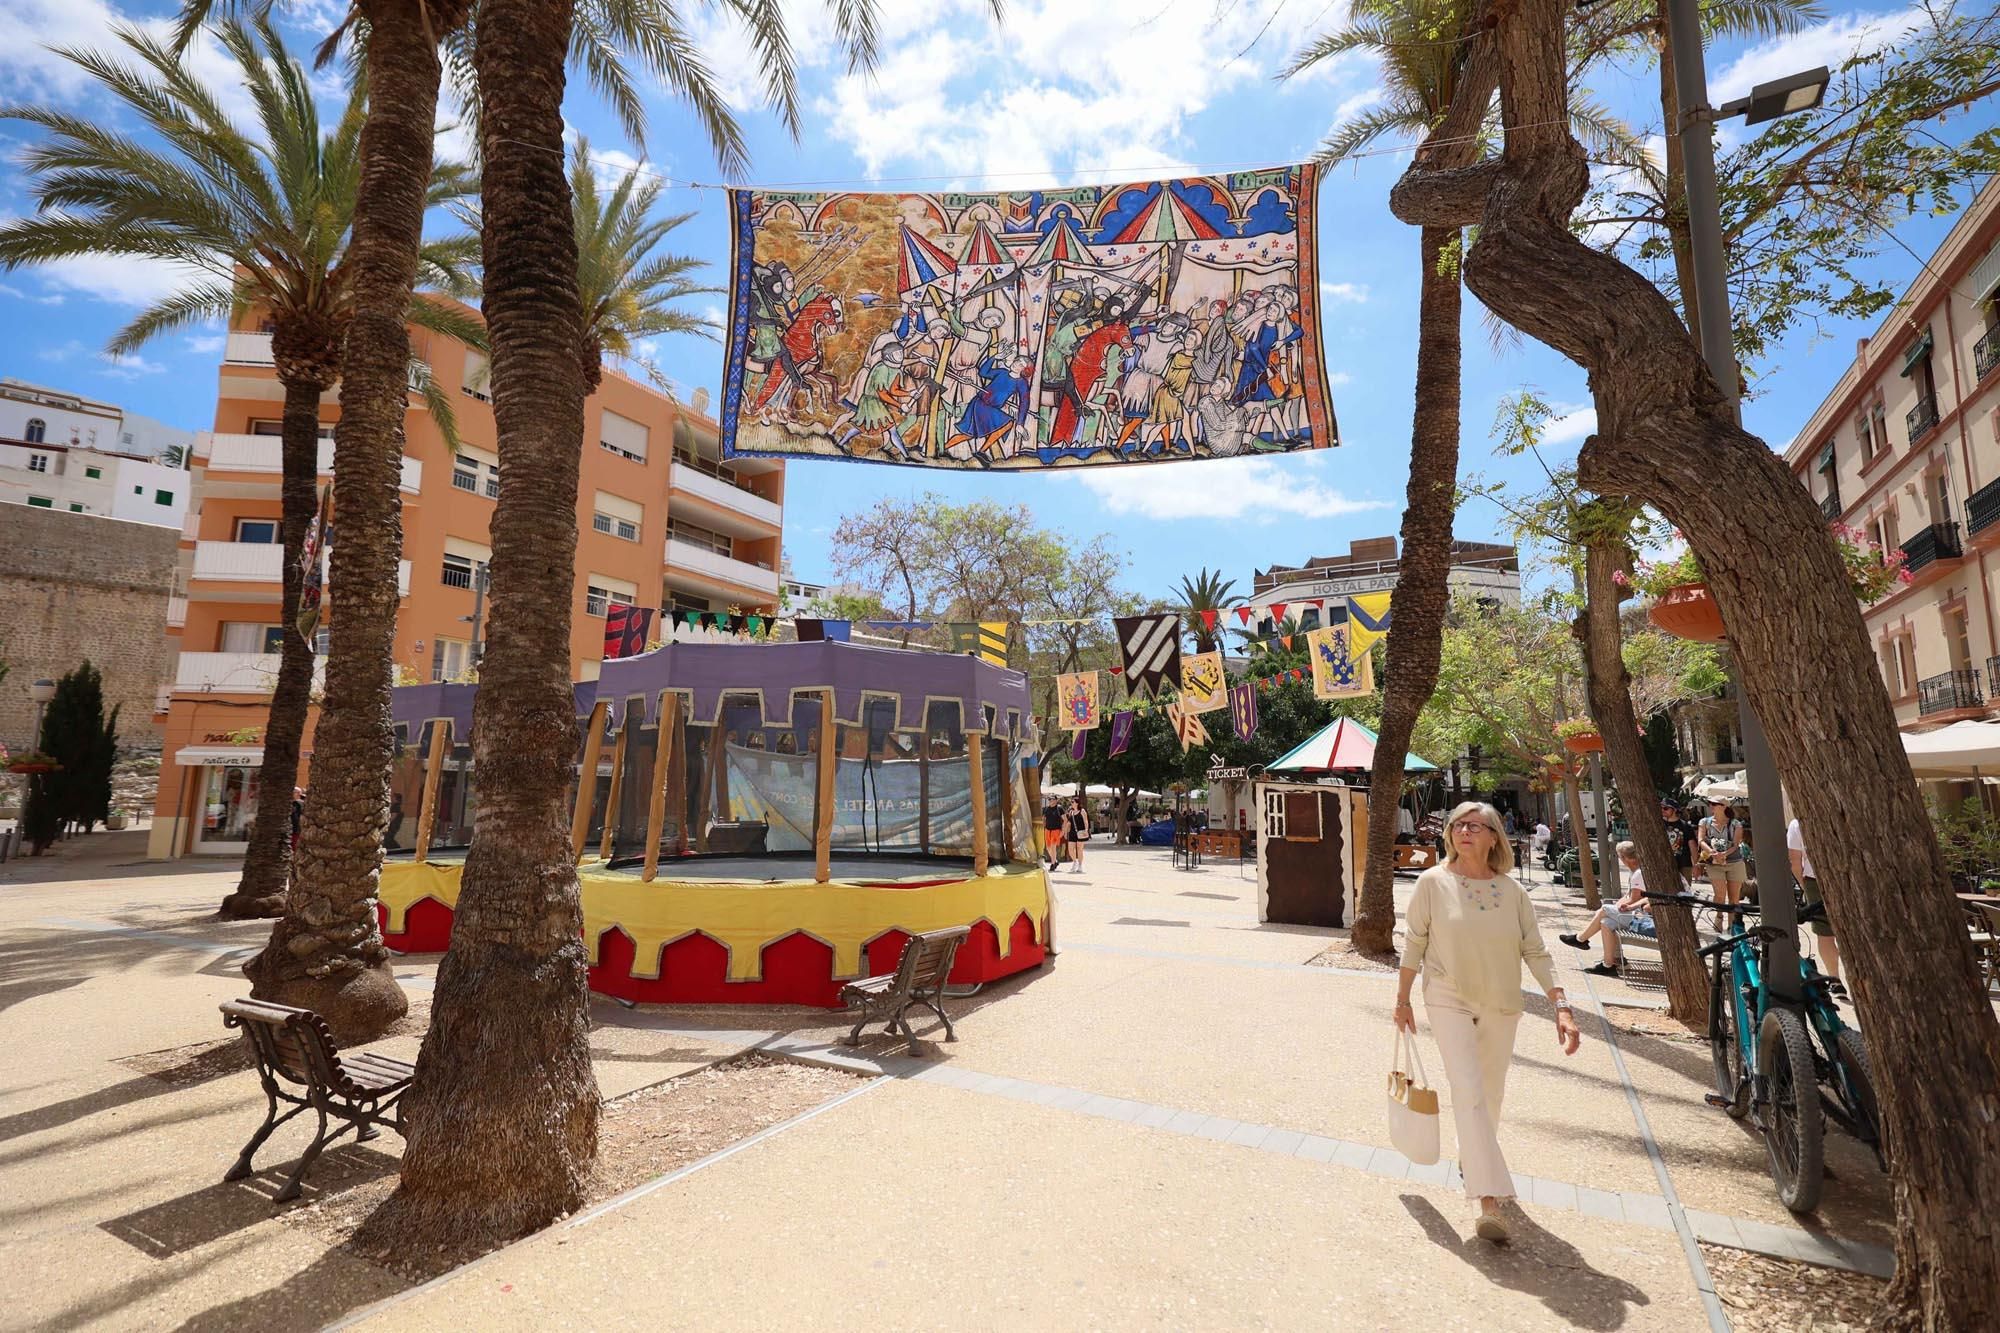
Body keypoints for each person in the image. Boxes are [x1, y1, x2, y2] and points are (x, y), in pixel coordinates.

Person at [1396, 801, 1581, 1244]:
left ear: (1494, 836)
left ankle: (1473, 1159)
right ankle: (1488, 1200)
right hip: (1446, 996)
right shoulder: (1432, 883)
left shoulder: (1512, 892)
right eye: (1458, 825)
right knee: (1469, 1091)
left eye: (1475, 826)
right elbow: (1414, 942)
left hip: (1500, 1003)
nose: (1464, 831)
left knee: (1490, 1097)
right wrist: (1402, 1000)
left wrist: (1561, 1005)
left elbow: (1536, 950)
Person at [1559, 841, 1653, 975]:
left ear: (1625, 858)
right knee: (1606, 922)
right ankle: (1610, 964)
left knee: (1603, 910)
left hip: (1641, 918)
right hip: (1638, 914)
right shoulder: (1637, 872)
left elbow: (1634, 899)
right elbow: (1630, 897)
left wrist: (1615, 908)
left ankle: (1580, 939)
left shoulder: (1638, 873)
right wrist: (1616, 907)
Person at [1788, 815, 1843, 993]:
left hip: (1815, 881)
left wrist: (1804, 887)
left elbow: (1795, 862)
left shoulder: (1797, 824)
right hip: (1845, 877)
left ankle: (1835, 979)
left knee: (1824, 933)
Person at [1697, 798, 1747, 918]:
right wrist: (1711, 852)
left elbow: (1736, 844)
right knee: (1719, 894)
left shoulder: (1735, 824)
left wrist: (1724, 854)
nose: (1711, 806)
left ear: (1724, 806)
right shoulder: (1704, 822)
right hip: (1714, 863)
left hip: (1734, 862)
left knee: (1734, 897)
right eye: (1710, 803)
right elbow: (1700, 840)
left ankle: (1733, 925)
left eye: (1714, 804)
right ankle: (1718, 919)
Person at [1065, 797, 1090, 873]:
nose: (1071, 803)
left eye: (1073, 802)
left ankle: (1080, 865)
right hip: (1072, 832)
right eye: (1071, 802)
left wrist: (1086, 830)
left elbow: (1086, 821)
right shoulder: (1071, 812)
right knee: (1070, 849)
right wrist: (1066, 832)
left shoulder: (1082, 811)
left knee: (1079, 849)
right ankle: (1074, 861)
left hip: (1080, 832)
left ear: (1077, 803)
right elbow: (1069, 823)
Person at [1043, 796, 1066, 871]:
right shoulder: (1046, 809)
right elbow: (1044, 819)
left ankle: (1052, 864)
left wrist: (1063, 831)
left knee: (1053, 847)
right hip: (1047, 830)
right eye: (1049, 799)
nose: (1050, 801)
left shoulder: (1059, 808)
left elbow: (1065, 820)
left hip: (1056, 830)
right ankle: (1055, 861)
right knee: (1048, 848)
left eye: (1052, 799)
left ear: (1056, 800)